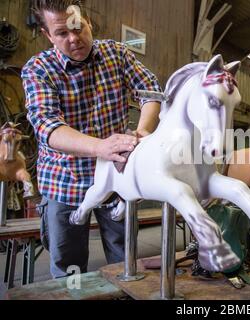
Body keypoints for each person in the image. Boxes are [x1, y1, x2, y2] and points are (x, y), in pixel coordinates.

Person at [22, 0, 163, 278]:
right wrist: (101, 147)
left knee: (126, 261)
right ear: (47, 35)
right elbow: (48, 127)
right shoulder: (38, 69)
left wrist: (144, 129)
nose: (74, 39)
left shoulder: (117, 54)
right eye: (62, 33)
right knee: (69, 268)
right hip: (65, 182)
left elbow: (150, 91)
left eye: (78, 27)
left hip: (117, 180)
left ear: (88, 21)